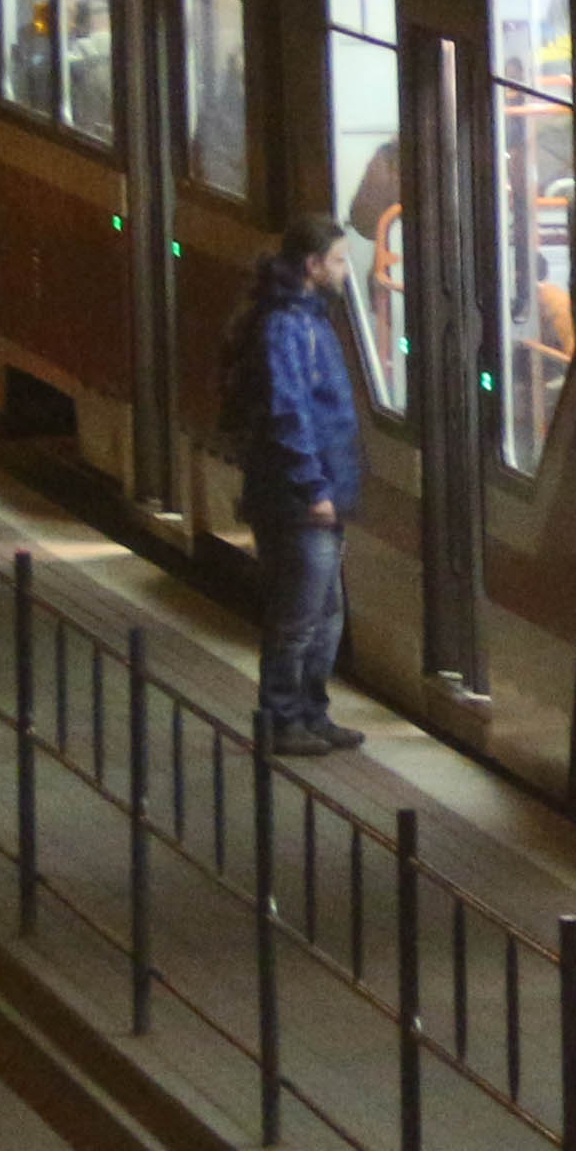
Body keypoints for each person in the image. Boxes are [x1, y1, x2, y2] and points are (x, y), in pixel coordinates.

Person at [223, 221, 370, 756]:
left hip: (317, 490)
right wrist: (313, 487)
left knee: (326, 613)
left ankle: (311, 711)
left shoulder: (308, 319)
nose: (343, 270)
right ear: (311, 266)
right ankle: (281, 719)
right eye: (337, 260)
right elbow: (291, 413)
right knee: (298, 614)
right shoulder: (287, 326)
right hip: (295, 498)